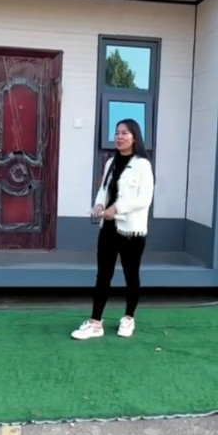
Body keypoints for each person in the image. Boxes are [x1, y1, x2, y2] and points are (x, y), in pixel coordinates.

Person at [71, 119, 154, 340]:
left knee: (131, 275)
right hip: (108, 227)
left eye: (125, 133)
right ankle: (95, 322)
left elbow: (144, 199)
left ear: (135, 137)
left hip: (132, 230)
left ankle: (128, 317)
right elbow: (104, 189)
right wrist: (99, 205)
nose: (119, 137)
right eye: (117, 133)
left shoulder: (143, 165)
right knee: (103, 275)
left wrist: (117, 208)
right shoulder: (111, 162)